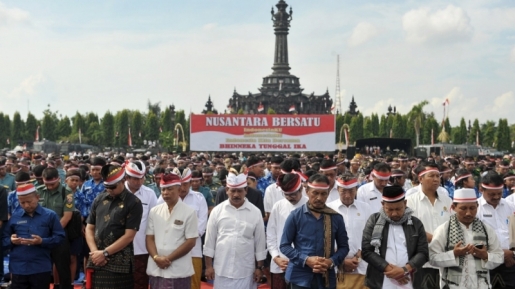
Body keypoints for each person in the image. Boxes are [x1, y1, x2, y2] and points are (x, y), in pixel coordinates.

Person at [280, 174, 349, 289]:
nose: (319, 198)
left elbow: (344, 247)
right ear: (307, 191)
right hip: (299, 277)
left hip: (326, 277)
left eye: (323, 194)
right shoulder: (295, 216)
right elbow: (284, 246)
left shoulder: (335, 218)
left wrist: (330, 262)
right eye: (315, 193)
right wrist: (306, 260)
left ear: (328, 194)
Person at [429, 188, 504, 288]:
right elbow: (432, 258)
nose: (468, 213)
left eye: (472, 208)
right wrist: (454, 254)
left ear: (477, 206)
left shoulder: (486, 230)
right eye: (463, 208)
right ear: (453, 207)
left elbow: (499, 257)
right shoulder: (443, 230)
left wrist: (485, 256)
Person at [204, 172, 267, 289]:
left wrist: (259, 268)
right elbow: (209, 241)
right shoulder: (217, 211)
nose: (236, 194)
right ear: (227, 190)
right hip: (221, 270)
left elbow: (260, 243)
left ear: (246, 190)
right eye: (233, 191)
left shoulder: (255, 212)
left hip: (246, 272)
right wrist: (208, 267)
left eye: (240, 191)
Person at [85, 164, 143, 289]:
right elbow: (89, 228)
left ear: (123, 181)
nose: (110, 190)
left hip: (119, 264)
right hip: (97, 260)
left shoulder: (134, 202)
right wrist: (95, 252)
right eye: (106, 187)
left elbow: (129, 236)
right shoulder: (99, 199)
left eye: (113, 187)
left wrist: (105, 253)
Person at [361, 185, 429, 289]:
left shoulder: (416, 223)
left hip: (409, 280)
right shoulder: (374, 220)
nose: (394, 213)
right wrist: (390, 270)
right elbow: (367, 251)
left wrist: (404, 270)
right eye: (390, 209)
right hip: (381, 281)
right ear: (383, 205)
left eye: (398, 209)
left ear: (405, 203)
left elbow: (423, 253)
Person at [3, 183, 66, 289]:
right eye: (22, 202)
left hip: (40, 268)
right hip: (18, 269)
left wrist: (42, 241)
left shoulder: (50, 215)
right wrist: (11, 241)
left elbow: (60, 238)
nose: (26, 205)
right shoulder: (15, 217)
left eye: (29, 201)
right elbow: (3, 240)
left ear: (37, 197)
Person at [146, 172, 198, 289]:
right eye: (163, 189)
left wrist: (168, 259)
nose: (165, 193)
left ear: (179, 190)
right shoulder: (154, 211)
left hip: (178, 270)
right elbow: (149, 238)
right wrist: (156, 258)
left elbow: (191, 242)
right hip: (156, 269)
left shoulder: (189, 212)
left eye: (169, 189)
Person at [158, 167, 207, 289]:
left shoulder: (199, 198)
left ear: (191, 183)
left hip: (193, 251)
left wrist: (185, 241)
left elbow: (201, 225)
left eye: (186, 184)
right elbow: (159, 224)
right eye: (180, 185)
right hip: (169, 251)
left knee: (193, 285)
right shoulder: (162, 199)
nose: (183, 188)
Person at [406, 164, 453, 289]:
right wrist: (436, 240)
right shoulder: (410, 201)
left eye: (438, 176)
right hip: (423, 261)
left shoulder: (447, 200)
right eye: (431, 176)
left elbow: (454, 224)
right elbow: (411, 227)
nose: (436, 179)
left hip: (445, 259)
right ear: (420, 179)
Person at [327, 173, 372, 289]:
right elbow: (324, 239)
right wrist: (341, 261)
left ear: (356, 189)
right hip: (336, 269)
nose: (347, 196)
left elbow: (372, 235)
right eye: (343, 191)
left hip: (361, 267)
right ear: (337, 190)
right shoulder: (328, 209)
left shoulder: (366, 208)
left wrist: (360, 255)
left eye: (351, 191)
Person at [266, 171, 308, 289]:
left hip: (304, 266)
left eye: (293, 194)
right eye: (287, 195)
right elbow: (271, 235)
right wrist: (275, 257)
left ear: (301, 189)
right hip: (280, 264)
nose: (290, 198)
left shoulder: (310, 206)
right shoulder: (278, 206)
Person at [476, 171, 515, 289]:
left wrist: (512, 253)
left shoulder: (510, 206)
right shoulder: (474, 209)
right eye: (492, 194)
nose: (497, 197)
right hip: (485, 263)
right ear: (481, 189)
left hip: (510, 263)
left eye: (499, 193)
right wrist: (498, 254)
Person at [37, 167, 74, 289]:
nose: (50, 187)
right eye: (47, 184)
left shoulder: (66, 192)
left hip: (59, 236)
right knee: (41, 268)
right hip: (41, 236)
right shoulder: (38, 191)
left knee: (63, 268)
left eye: (53, 184)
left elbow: (67, 216)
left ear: (58, 179)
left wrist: (54, 232)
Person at [124, 160, 158, 289]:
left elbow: (155, 221)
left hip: (141, 248)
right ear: (126, 177)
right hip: (119, 248)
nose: (138, 182)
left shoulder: (149, 194)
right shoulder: (118, 193)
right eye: (135, 179)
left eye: (141, 178)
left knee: (141, 283)